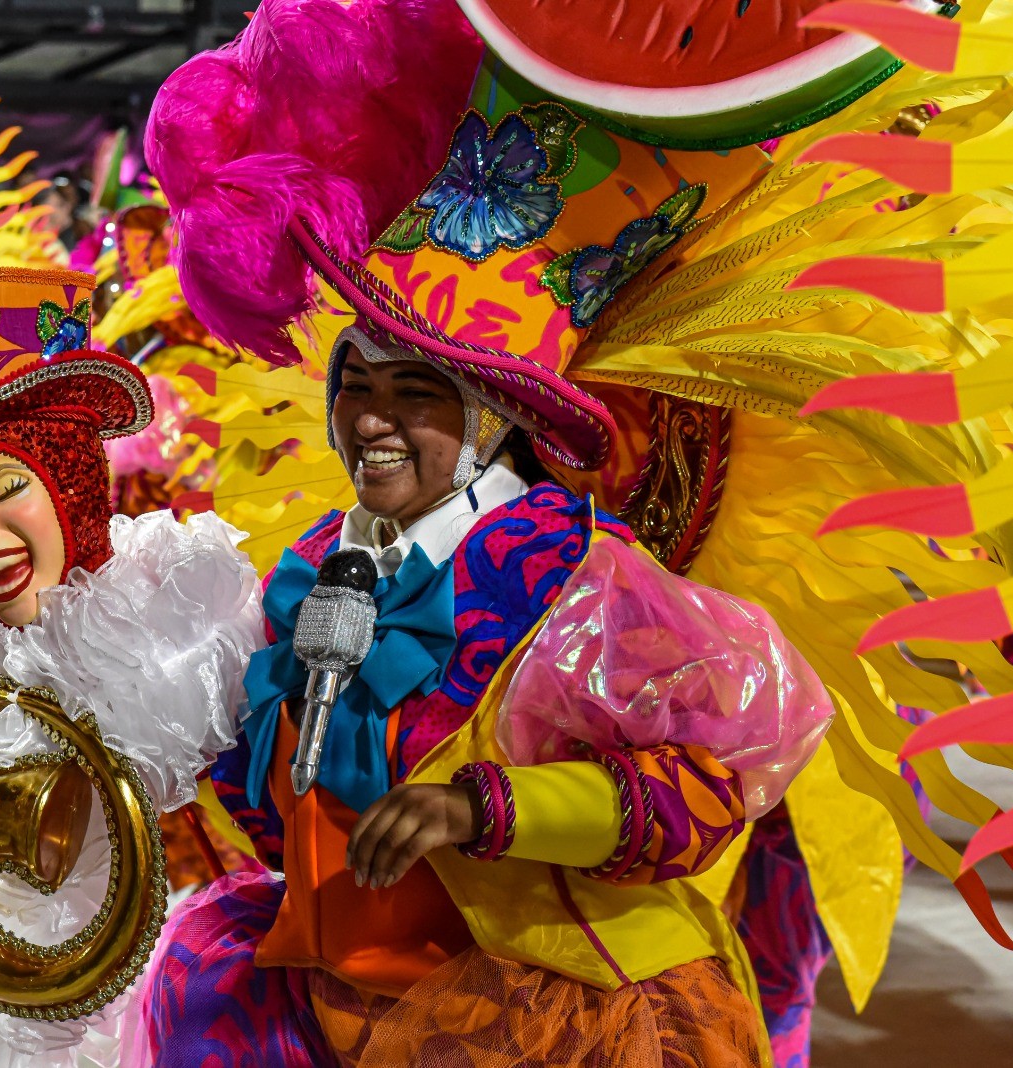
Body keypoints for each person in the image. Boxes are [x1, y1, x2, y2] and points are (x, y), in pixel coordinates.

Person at [134, 3, 837, 1062]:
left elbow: (704, 792)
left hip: (540, 1014)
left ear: (493, 417)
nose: (372, 422)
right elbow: (274, 791)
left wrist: (487, 809)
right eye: (355, 385)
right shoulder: (314, 562)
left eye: (415, 393)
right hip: (328, 989)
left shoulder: (578, 580)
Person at [0, 264, 264, 1064]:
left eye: (8, 488)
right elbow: (34, 879)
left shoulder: (186, 607)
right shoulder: (2, 646)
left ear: (74, 483)